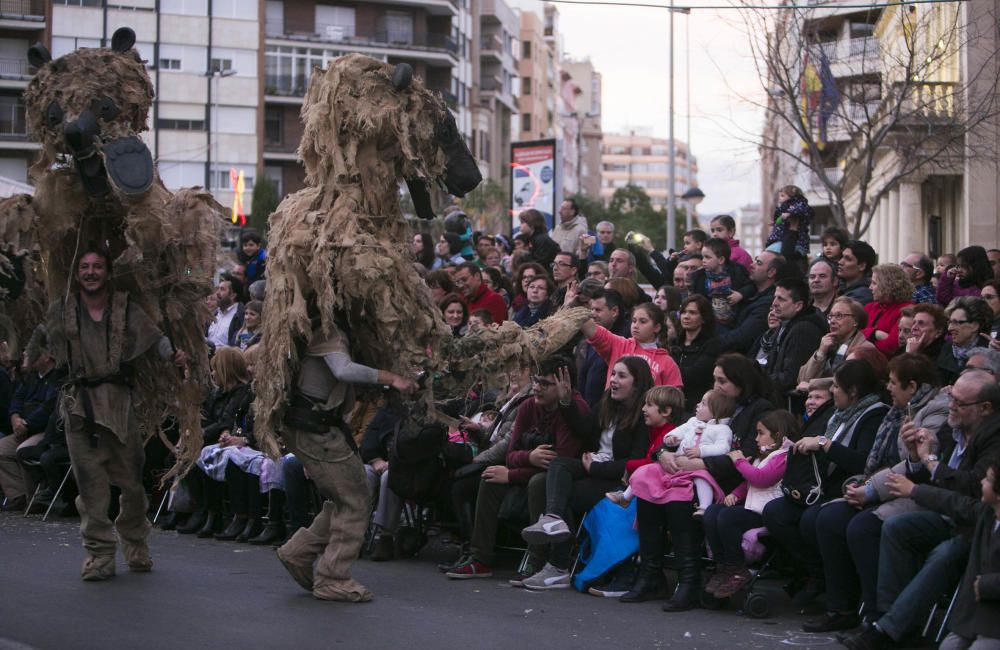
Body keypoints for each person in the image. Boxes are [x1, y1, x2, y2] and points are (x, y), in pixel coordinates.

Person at [47, 249, 186, 580]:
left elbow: (155, 337)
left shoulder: (124, 307)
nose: (91, 272)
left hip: (119, 404)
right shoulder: (62, 309)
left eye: (97, 266)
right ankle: (100, 555)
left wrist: (173, 356)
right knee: (91, 485)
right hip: (79, 406)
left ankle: (135, 542)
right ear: (76, 272)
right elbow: (41, 341)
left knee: (132, 483)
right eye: (84, 267)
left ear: (108, 271)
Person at [840, 371, 1000, 648]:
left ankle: (890, 630)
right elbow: (933, 473)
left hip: (977, 525)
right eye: (952, 398)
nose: (951, 406)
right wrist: (916, 457)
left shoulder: (993, 438)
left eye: (960, 403)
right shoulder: (956, 427)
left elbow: (973, 492)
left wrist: (926, 469)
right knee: (895, 527)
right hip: (949, 513)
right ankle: (888, 618)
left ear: (984, 408)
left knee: (945, 553)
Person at [810, 353, 947, 633]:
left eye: (894, 383)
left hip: (916, 492)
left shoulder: (934, 413)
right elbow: (882, 459)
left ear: (912, 387)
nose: (888, 388)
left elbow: (913, 464)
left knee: (864, 528)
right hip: (885, 484)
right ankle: (841, 607)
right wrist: (862, 484)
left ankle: (877, 615)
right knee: (828, 518)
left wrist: (870, 490)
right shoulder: (897, 410)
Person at [632, 354, 775, 610]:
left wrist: (703, 464)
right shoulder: (709, 404)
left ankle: (689, 581)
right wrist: (662, 453)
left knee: (679, 501)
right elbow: (678, 433)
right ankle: (650, 574)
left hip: (728, 481)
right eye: (715, 380)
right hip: (689, 470)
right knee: (649, 492)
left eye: (723, 381)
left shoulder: (759, 410)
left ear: (741, 383)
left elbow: (750, 452)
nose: (717, 386)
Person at [445, 358, 591, 581]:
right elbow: (511, 454)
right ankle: (480, 557)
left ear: (565, 385)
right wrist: (529, 457)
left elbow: (558, 463)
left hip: (560, 479)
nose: (536, 388)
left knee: (538, 482)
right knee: (491, 476)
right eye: (535, 381)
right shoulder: (528, 406)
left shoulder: (575, 409)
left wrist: (513, 474)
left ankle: (537, 555)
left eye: (544, 383)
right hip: (530, 468)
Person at [762, 360, 888, 616]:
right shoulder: (839, 413)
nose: (833, 393)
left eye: (837, 388)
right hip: (819, 486)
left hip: (848, 487)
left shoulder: (873, 414)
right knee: (775, 512)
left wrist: (824, 444)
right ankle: (816, 572)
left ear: (853, 391)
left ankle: (837, 593)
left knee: (814, 519)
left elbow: (861, 461)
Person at [519, 357, 653, 590]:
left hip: (615, 479)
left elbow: (635, 462)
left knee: (568, 494)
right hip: (593, 466)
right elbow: (583, 428)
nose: (613, 380)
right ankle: (553, 520)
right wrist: (566, 400)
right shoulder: (607, 401)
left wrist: (597, 468)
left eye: (621, 376)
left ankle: (558, 567)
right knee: (559, 464)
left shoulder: (642, 415)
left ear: (637, 383)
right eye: (613, 374)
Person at [703, 409, 795, 599]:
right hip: (751, 508)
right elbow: (748, 483)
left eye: (761, 433)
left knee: (728, 517)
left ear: (777, 435)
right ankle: (723, 566)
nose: (756, 439)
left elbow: (762, 479)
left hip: (766, 513)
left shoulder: (784, 457)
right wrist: (735, 495)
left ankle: (737, 569)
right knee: (713, 512)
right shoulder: (763, 457)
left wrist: (739, 462)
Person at [608, 389, 735, 517]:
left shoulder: (723, 429)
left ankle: (704, 507)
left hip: (697, 466)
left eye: (703, 404)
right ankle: (625, 497)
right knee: (646, 470)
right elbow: (678, 431)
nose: (697, 405)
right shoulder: (692, 422)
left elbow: (723, 448)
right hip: (677, 460)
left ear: (716, 411)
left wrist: (701, 451)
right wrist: (670, 439)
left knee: (703, 479)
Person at [580, 302, 683, 388]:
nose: (636, 325)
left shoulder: (668, 363)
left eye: (643, 321)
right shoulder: (619, 344)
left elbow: (673, 399)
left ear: (656, 327)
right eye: (634, 321)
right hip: (613, 410)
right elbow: (592, 330)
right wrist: (573, 306)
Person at [755, 276, 827, 397]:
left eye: (781, 299)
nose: (774, 303)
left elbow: (790, 378)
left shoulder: (803, 330)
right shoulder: (786, 324)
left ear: (798, 306)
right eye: (775, 297)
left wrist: (756, 382)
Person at [797, 297, 873, 390]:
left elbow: (847, 381)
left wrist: (814, 385)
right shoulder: (828, 346)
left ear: (855, 321)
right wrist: (820, 353)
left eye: (839, 316)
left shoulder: (865, 348)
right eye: (830, 316)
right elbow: (802, 380)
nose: (832, 321)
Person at [719, 251, 787, 354]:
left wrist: (710, 336)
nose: (751, 265)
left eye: (758, 263)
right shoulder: (748, 292)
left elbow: (741, 338)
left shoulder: (769, 303)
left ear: (771, 272)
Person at [578, 289, 629, 408]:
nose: (593, 314)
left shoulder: (627, 337)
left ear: (615, 311)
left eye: (598, 310)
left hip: (611, 409)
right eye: (591, 309)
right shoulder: (592, 335)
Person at [685, 237, 750, 328]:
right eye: (703, 256)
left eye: (707, 257)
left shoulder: (737, 271)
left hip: (735, 323)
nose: (703, 260)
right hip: (710, 326)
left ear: (721, 260)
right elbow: (696, 299)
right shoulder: (699, 277)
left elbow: (751, 286)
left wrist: (741, 294)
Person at [672, 295, 721, 412]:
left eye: (692, 313)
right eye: (683, 312)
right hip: (671, 402)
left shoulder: (712, 345)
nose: (686, 316)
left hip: (695, 407)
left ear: (703, 318)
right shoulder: (674, 343)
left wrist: (668, 370)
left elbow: (693, 376)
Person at [938, 296, 993, 384]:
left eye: (956, 322)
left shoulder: (989, 354)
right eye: (950, 322)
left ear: (974, 326)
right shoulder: (946, 348)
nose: (949, 328)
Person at [863, 263, 914, 357]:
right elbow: (853, 333)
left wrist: (864, 341)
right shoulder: (869, 307)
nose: (870, 287)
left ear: (888, 285)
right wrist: (875, 334)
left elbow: (892, 346)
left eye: (874, 283)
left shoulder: (907, 310)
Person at [767, 184, 812, 258]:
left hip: (797, 242)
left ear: (793, 196)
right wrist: (775, 222)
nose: (779, 198)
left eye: (782, 195)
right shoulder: (783, 208)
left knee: (773, 253)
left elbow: (801, 209)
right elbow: (780, 220)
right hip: (783, 240)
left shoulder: (799, 204)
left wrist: (790, 213)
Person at [206, 273, 245, 350]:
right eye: (218, 289)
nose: (217, 293)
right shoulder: (214, 313)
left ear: (233, 295)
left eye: (222, 289)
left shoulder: (241, 316)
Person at [839, 240, 878, 305]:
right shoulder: (839, 288)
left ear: (862, 266)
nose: (840, 262)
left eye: (847, 259)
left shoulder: (863, 295)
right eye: (841, 257)